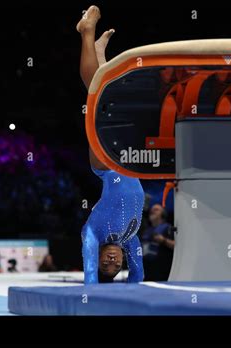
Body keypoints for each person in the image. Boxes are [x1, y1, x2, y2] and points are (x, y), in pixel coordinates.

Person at [77, 5, 145, 284]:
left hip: (105, 168)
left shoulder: (93, 233)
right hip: (128, 159)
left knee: (99, 96)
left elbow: (90, 274)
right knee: (111, 97)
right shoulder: (130, 237)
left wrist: (93, 290)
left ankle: (85, 32)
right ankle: (99, 54)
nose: (111, 261)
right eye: (114, 266)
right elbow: (138, 276)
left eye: (105, 262)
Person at [141, 204, 175, 280]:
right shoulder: (146, 230)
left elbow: (176, 246)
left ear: (163, 214)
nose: (152, 211)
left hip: (162, 273)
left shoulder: (168, 228)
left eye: (156, 209)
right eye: (151, 209)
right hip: (147, 273)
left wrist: (164, 240)